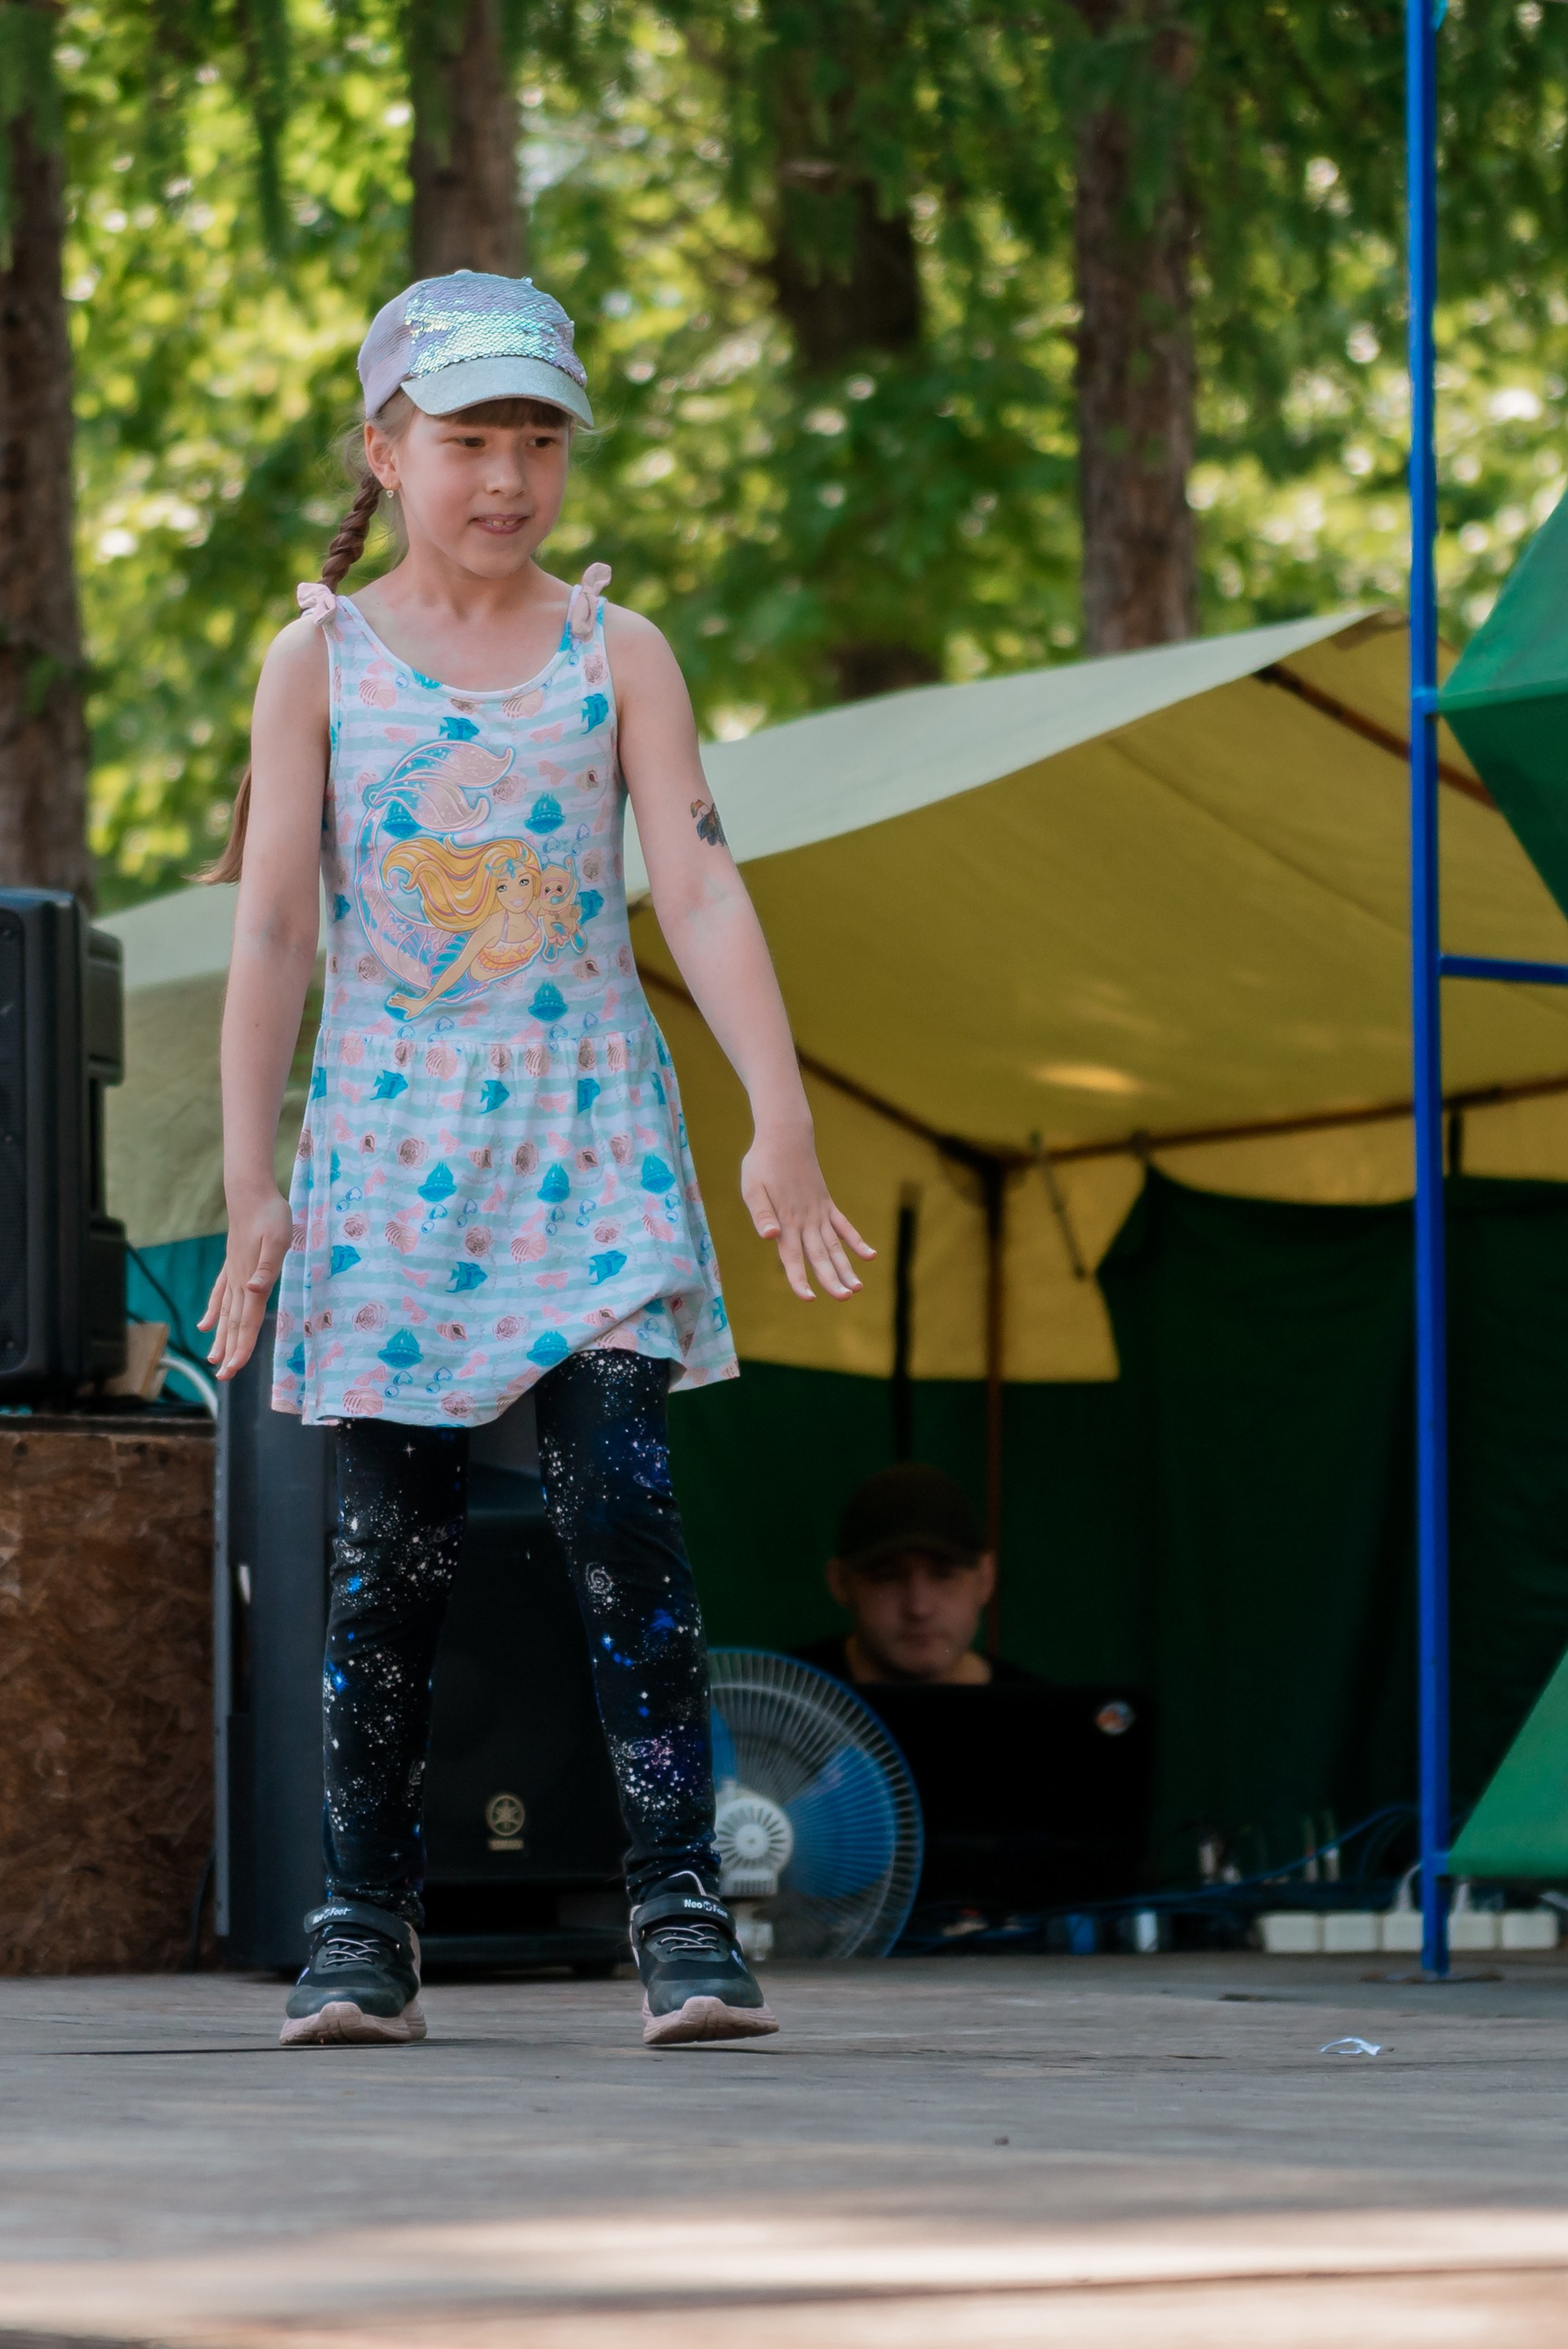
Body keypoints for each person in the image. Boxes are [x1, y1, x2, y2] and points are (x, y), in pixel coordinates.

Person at [198, 270, 874, 2051]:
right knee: (393, 1556)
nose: (508, 478)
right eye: (470, 441)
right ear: (387, 451)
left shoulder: (616, 649)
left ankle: (682, 1914)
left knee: (624, 1521)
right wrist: (256, 1184)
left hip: (591, 1140)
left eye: (539, 441)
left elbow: (700, 882)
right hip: (391, 1145)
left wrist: (781, 1111)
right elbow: (272, 930)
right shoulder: (318, 662)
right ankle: (362, 1923)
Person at [795, 1464, 1040, 1687]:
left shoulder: (1044, 1714)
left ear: (986, 1579)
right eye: (886, 1577)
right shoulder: (782, 1698)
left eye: (944, 1575)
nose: (919, 1609)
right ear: (840, 1583)